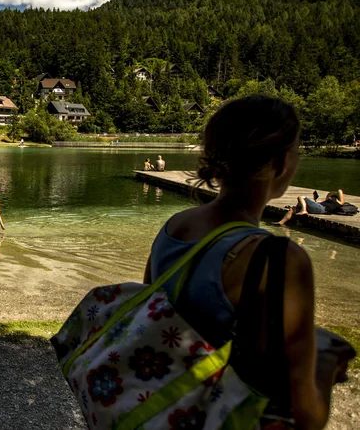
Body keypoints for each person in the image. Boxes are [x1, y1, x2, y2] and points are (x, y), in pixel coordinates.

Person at [143, 96, 350, 430]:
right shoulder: (279, 259)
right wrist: (325, 363)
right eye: (297, 149)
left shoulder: (174, 228)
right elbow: (305, 415)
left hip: (164, 411)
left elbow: (152, 325)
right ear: (281, 163)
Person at [275, 190, 346, 226]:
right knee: (292, 209)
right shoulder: (327, 201)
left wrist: (334, 194)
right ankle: (281, 222)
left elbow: (340, 191)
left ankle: (304, 210)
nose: (330, 197)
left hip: (322, 209)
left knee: (301, 197)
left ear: (335, 198)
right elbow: (328, 195)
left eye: (332, 197)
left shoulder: (338, 203)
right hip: (318, 207)